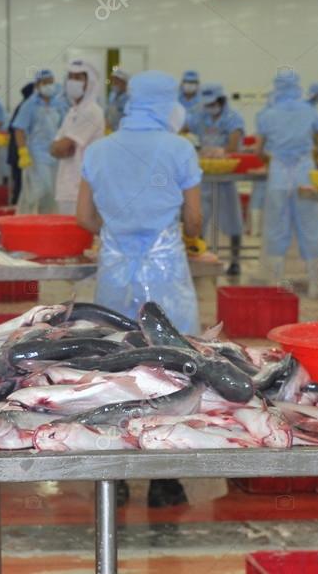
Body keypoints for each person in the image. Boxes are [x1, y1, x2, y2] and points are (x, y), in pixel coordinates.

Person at [77, 71, 203, 510]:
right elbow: (194, 219)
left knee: (115, 363)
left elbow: (85, 219)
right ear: (167, 103)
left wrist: (119, 234)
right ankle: (165, 479)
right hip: (166, 268)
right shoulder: (180, 149)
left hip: (115, 270)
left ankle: (116, 472)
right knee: (174, 366)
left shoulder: (99, 149)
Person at [257, 71, 318, 296]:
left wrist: (273, 159)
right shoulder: (310, 112)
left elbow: (258, 150)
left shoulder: (267, 115)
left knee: (276, 226)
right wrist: (310, 156)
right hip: (304, 174)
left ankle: (275, 282)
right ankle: (315, 286)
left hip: (279, 173)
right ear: (298, 87)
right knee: (310, 226)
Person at [185, 83, 245, 275]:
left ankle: (235, 261)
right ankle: (198, 255)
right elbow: (184, 128)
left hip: (225, 175)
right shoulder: (200, 116)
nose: (210, 108)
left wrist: (222, 151)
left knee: (232, 218)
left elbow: (234, 144)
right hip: (204, 174)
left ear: (221, 101)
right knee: (199, 217)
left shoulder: (232, 118)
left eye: (213, 104)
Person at [51, 59, 105, 215]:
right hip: (67, 186)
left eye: (78, 78)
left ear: (90, 83)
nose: (73, 82)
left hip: (81, 189)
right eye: (71, 77)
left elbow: (62, 146)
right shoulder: (73, 112)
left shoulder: (91, 112)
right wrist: (60, 147)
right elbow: (55, 149)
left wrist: (61, 146)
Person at [12, 70, 62, 214]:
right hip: (36, 155)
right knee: (37, 191)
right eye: (45, 82)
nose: (49, 86)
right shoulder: (30, 105)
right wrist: (23, 152)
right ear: (38, 85)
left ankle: (49, 222)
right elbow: (19, 129)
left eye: (51, 82)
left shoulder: (58, 104)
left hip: (55, 154)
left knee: (53, 192)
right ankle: (30, 221)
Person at [7, 82, 35, 204]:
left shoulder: (26, 106)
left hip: (21, 150)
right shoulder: (26, 107)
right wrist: (23, 151)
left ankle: (17, 202)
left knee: (20, 180)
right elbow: (15, 129)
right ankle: (16, 204)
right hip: (19, 150)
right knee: (20, 180)